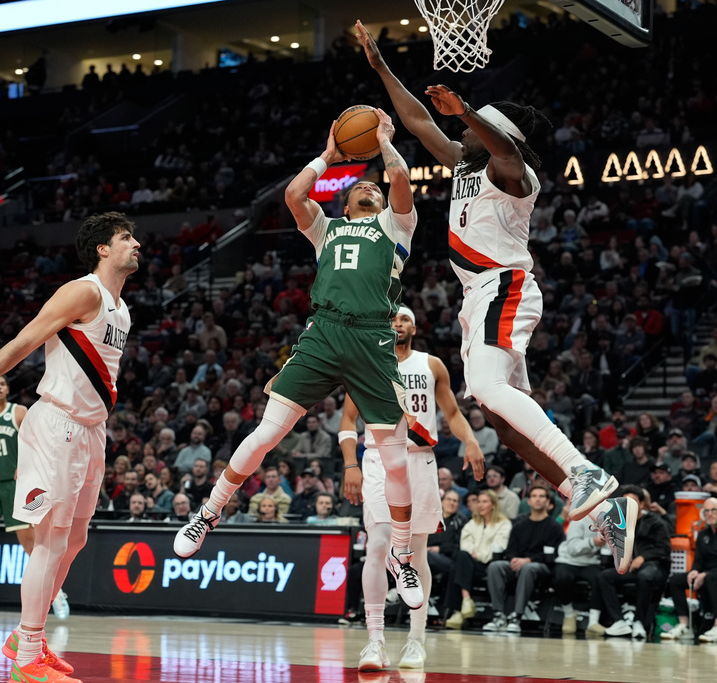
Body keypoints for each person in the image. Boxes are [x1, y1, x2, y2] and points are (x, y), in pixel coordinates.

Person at [356, 19, 636, 573]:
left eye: (470, 129)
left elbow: (503, 147)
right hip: (478, 297)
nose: (457, 134)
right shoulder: (465, 164)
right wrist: (381, 66)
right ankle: (609, 515)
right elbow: (415, 120)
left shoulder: (517, 173)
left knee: (483, 386)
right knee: (506, 425)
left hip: (503, 286)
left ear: (488, 132)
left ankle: (586, 472)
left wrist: (468, 114)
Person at [174, 109, 432, 610]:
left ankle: (401, 553)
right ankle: (209, 510)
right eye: (362, 186)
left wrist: (383, 142)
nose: (371, 189)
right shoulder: (327, 229)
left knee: (394, 457)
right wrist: (328, 156)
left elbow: (399, 177)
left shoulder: (397, 226)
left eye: (374, 188)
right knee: (266, 432)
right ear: (345, 196)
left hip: (374, 338)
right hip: (324, 333)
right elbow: (293, 196)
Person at [0, 212, 139, 683]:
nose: (137, 244)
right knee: (50, 539)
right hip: (57, 426)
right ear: (103, 250)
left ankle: (27, 635)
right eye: (125, 238)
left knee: (76, 539)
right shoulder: (82, 291)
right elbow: (22, 342)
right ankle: (27, 655)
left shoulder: (121, 310)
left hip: (92, 431)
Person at [339, 306, 484, 669]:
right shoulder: (367, 362)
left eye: (403, 319)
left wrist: (471, 440)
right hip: (377, 459)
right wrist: (350, 465)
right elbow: (347, 419)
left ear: (414, 328)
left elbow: (451, 413)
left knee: (417, 554)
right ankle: (375, 642)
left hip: (420, 461)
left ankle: (416, 642)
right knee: (376, 544)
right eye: (391, 319)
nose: (397, 324)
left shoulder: (431, 365)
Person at [0, 375, 70, 627]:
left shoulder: (19, 412)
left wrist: (27, 467)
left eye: (3, 384)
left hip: (15, 486)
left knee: (31, 545)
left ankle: (56, 595)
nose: (0, 387)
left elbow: (38, 442)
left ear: (7, 389)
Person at [587, 486, 670, 639]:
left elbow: (664, 549)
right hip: (631, 568)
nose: (629, 505)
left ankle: (639, 622)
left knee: (644, 576)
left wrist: (643, 557)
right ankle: (619, 621)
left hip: (655, 567)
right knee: (603, 576)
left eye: (633, 501)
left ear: (642, 504)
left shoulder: (655, 522)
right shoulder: (619, 523)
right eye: (625, 502)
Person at [482, 484, 565, 634]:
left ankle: (516, 617)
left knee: (528, 568)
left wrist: (528, 560)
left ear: (547, 502)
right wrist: (514, 559)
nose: (537, 500)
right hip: (518, 563)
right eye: (534, 496)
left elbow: (553, 554)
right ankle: (498, 615)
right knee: (496, 566)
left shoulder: (554, 527)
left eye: (541, 496)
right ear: (528, 501)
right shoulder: (519, 524)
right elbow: (511, 548)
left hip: (542, 566)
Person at [662, 497, 717, 642]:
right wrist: (695, 571)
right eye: (706, 511)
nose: (710, 514)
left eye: (714, 510)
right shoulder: (703, 534)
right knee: (676, 580)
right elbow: (699, 561)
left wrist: (706, 574)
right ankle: (684, 625)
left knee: (711, 578)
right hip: (707, 574)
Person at [443, 490, 512, 629]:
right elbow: (465, 544)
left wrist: (478, 554)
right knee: (461, 558)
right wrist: (472, 554)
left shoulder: (504, 524)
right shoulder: (472, 523)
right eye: (478, 501)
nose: (480, 505)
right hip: (471, 564)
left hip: (490, 565)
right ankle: (466, 601)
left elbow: (498, 547)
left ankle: (458, 611)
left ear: (493, 505)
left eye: (484, 502)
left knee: (457, 566)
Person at [553, 517, 604, 637]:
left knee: (601, 578)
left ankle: (593, 622)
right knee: (562, 577)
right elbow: (572, 549)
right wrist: (592, 542)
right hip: (568, 560)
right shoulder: (578, 520)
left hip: (591, 562)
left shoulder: (609, 520)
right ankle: (569, 614)